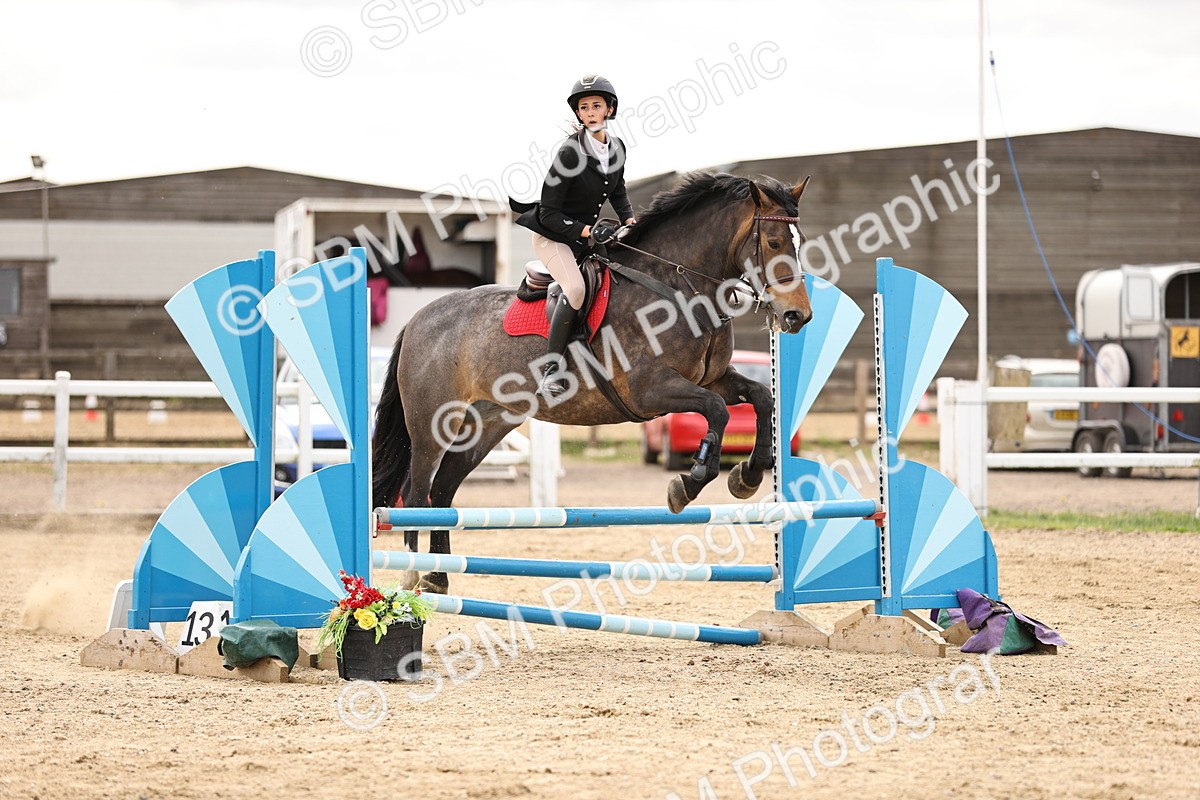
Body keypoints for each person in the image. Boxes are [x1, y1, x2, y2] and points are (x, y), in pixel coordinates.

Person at [514, 74, 637, 399]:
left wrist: (630, 220)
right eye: (585, 107)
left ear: (609, 109)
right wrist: (588, 230)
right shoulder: (569, 153)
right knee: (576, 287)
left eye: (597, 105)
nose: (591, 111)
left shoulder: (617, 148)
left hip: (583, 240)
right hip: (552, 235)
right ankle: (551, 370)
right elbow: (550, 213)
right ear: (579, 114)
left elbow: (619, 190)